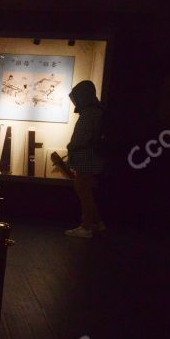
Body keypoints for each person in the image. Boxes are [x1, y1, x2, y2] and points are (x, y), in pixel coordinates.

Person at [64, 80, 105, 238]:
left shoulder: (89, 114)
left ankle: (86, 226)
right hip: (90, 157)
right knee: (86, 191)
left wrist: (71, 146)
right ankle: (97, 222)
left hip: (85, 157)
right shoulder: (96, 111)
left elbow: (81, 138)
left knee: (83, 191)